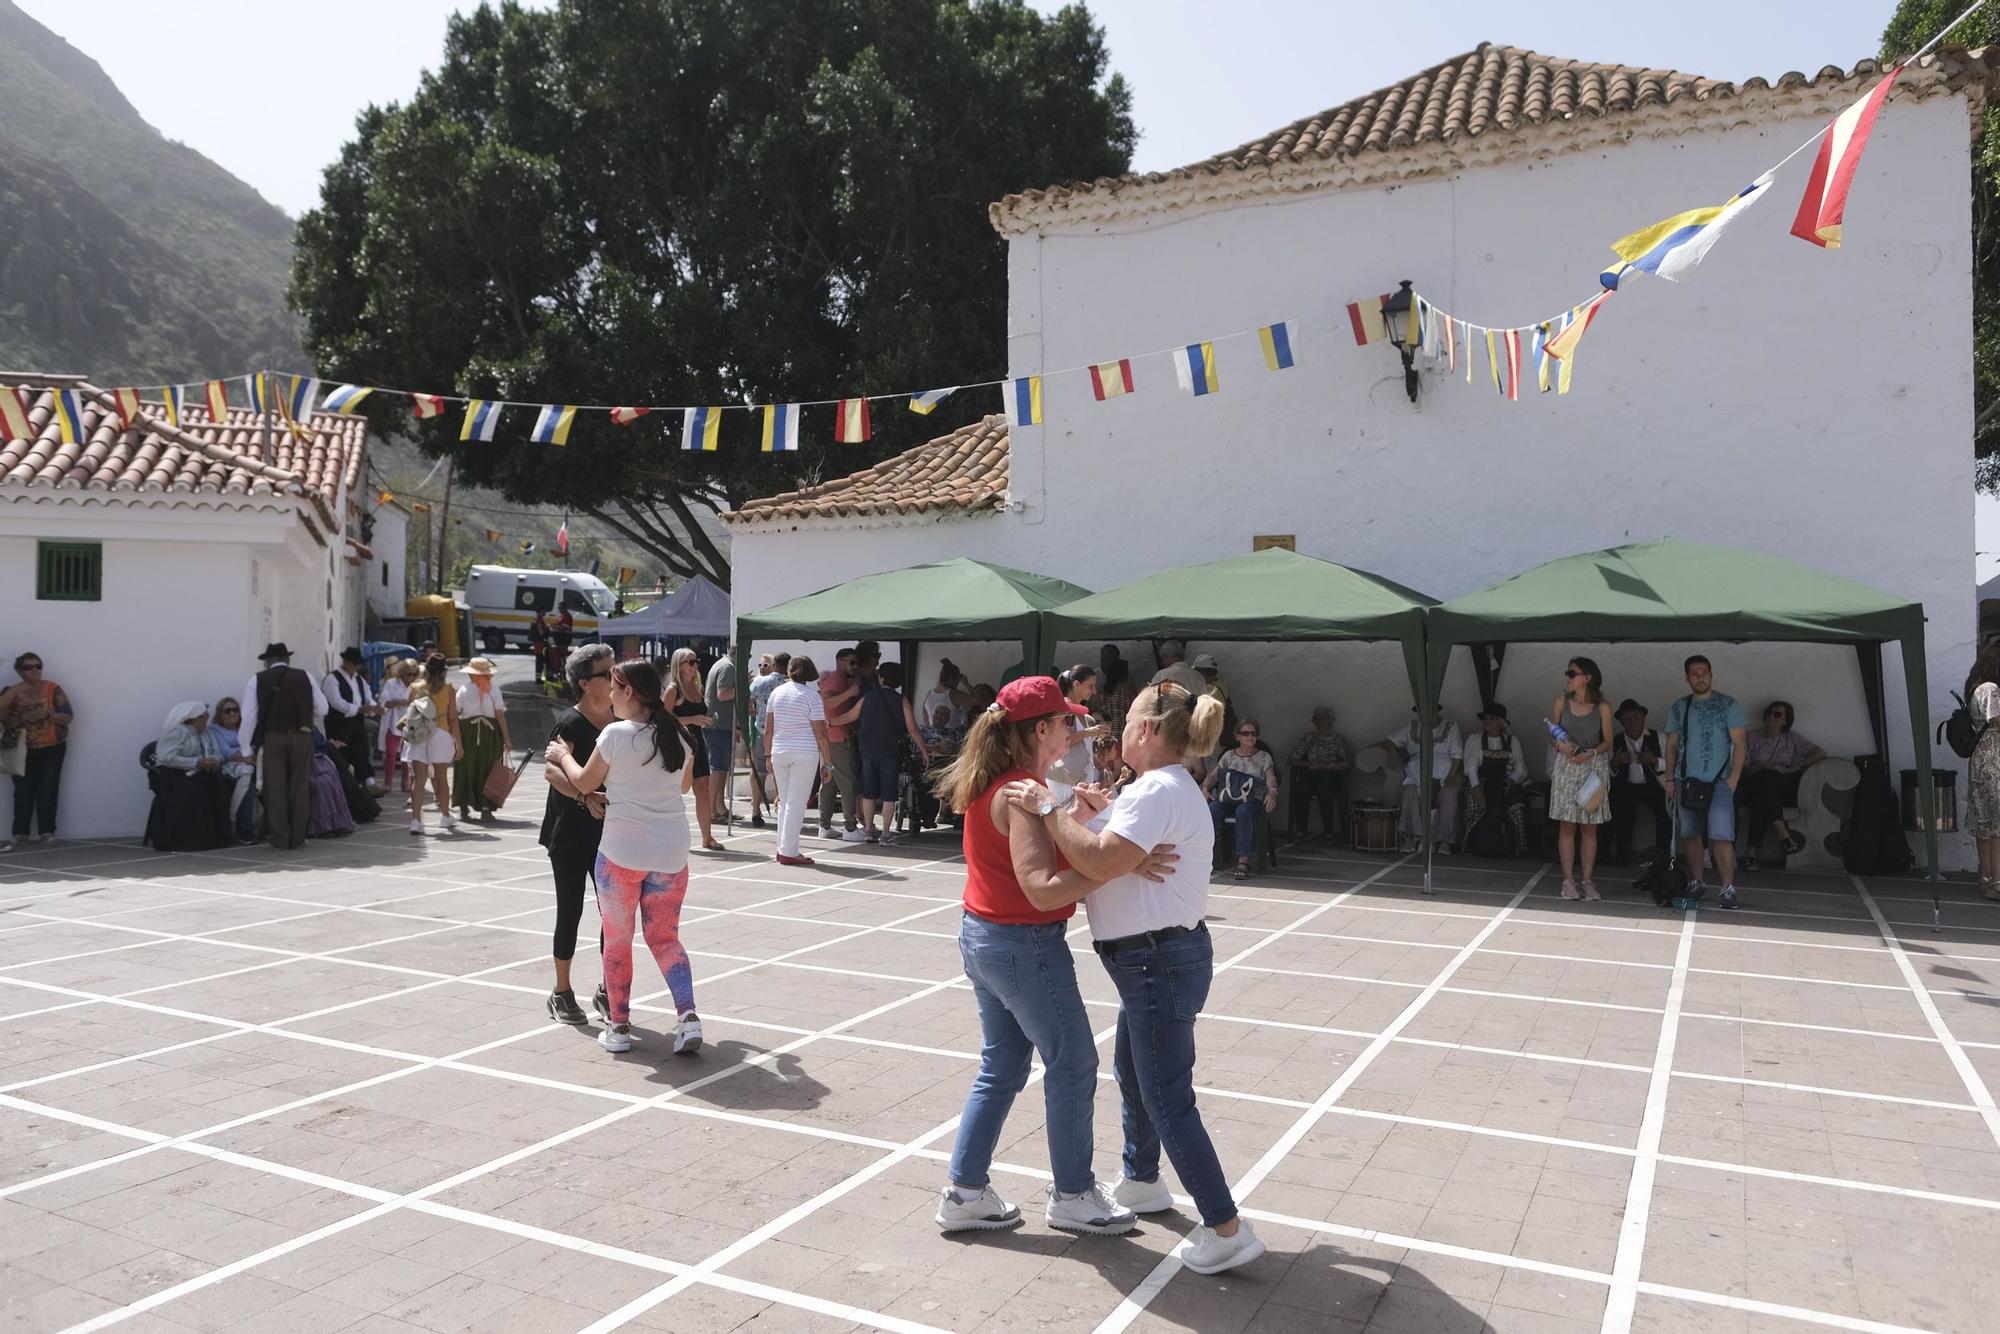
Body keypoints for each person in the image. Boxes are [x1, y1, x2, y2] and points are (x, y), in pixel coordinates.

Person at [999, 680, 1265, 1274]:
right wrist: (1090, 816)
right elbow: (1102, 845)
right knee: (1137, 1075)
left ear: (1146, 732)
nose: (1117, 734)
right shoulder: (1156, 789)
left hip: (1156, 961)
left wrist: (1050, 808)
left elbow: (1095, 859)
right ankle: (1142, 1179)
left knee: (1168, 1096)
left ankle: (1226, 1227)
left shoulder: (1157, 792)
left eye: (1126, 725)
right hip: (1152, 960)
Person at [930, 677, 1150, 1239]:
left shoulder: (1007, 784)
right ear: (1040, 730)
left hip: (984, 937)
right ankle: (1074, 1193)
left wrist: (1072, 809)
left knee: (1002, 1066)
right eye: (1066, 721)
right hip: (1023, 944)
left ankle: (965, 1191)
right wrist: (1117, 863)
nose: (1074, 730)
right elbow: (1042, 889)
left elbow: (1025, 848)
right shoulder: (1021, 791)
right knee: (1074, 1062)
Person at [546, 658, 704, 1056]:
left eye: (616, 689)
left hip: (621, 853)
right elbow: (683, 788)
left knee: (618, 940)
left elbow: (583, 781)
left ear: (630, 692)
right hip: (671, 852)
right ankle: (687, 1017)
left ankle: (618, 1025)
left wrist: (562, 754)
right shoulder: (681, 736)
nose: (611, 697)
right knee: (665, 938)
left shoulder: (615, 734)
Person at [541, 643, 614, 1024]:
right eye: (607, 673)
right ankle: (562, 992)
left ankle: (607, 989)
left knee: (612, 915)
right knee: (570, 911)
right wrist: (585, 796)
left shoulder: (620, 719)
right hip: (569, 833)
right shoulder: (569, 723)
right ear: (586, 684)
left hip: (612, 835)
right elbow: (552, 771)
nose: (615, 678)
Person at [1664, 655, 1748, 909]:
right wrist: (1669, 778)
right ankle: (1697, 882)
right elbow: (1671, 745)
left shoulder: (1728, 704)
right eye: (1694, 673)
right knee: (1690, 835)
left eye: (1704, 672)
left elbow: (1740, 744)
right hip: (1686, 780)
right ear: (1687, 677)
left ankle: (1727, 888)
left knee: (1722, 836)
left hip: (1719, 782)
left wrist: (1733, 779)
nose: (1700, 677)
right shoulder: (1680, 706)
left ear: (1711, 674)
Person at [239, 643, 327, 852]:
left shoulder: (257, 680)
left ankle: (280, 837)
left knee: (276, 788)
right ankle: (297, 837)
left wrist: (246, 749)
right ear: (287, 659)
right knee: (300, 786)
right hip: (302, 736)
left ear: (267, 661)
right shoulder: (305, 676)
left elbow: (248, 717)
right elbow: (323, 708)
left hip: (273, 737)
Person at [1548, 658, 1614, 900]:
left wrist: (1591, 753)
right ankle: (1568, 880)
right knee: (1566, 825)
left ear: (1588, 678)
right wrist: (1559, 746)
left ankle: (1587, 880)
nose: (1568, 677)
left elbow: (1608, 741)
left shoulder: (1603, 707)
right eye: (1568, 672)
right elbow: (1551, 733)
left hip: (1591, 766)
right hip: (1567, 766)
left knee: (1589, 828)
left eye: (1572, 673)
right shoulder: (1560, 702)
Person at [1739, 701, 1827, 871]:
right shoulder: (1752, 738)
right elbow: (1745, 768)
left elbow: (1820, 753)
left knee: (1767, 787)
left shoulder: (1791, 738)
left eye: (1778, 714)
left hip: (1783, 783)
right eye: (1770, 713)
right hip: (1756, 781)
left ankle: (1752, 853)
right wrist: (1763, 768)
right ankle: (1782, 833)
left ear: (1785, 721)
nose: (1772, 717)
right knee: (1764, 784)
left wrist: (1796, 767)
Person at [765, 656, 834, 866]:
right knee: (796, 802)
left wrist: (767, 755)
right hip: (804, 752)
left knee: (785, 801)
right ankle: (789, 850)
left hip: (779, 751)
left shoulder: (776, 693)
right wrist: (828, 763)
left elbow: (769, 729)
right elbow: (821, 734)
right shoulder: (812, 696)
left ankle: (783, 847)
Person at [1, 652, 73, 850]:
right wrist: (16, 691)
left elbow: (67, 716)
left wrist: (47, 714)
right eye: (28, 667)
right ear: (19, 671)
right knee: (22, 791)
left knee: (48, 789)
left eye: (37, 666)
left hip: (52, 747)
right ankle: (20, 832)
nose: (34, 670)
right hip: (22, 748)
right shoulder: (12, 691)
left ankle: (47, 831)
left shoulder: (52, 689)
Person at [855, 662, 929, 845]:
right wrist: (923, 750)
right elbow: (912, 729)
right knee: (889, 794)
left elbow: (850, 716)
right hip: (889, 750)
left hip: (867, 748)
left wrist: (830, 723)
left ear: (882, 678)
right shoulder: (901, 700)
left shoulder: (868, 697)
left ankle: (868, 829)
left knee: (869, 791)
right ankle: (886, 834)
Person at [148, 701, 233, 851]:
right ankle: (189, 840)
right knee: (193, 793)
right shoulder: (176, 732)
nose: (206, 718)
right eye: (202, 716)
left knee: (220, 788)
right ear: (192, 718)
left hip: (200, 771)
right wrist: (196, 762)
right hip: (173, 774)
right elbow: (168, 757)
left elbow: (217, 753)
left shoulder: (206, 732)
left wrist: (214, 761)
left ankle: (217, 838)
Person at [1203, 717, 1279, 880]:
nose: (1250, 737)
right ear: (1237, 736)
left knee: (1243, 812)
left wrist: (1272, 791)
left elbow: (1270, 776)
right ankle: (1204, 857)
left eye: (1253, 733)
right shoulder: (1228, 756)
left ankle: (1243, 861)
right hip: (1228, 798)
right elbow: (1213, 776)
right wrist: (1205, 788)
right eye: (1245, 733)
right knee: (1212, 810)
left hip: (1251, 800)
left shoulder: (1263, 757)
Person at [665, 647, 722, 852]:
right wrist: (692, 720)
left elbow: (698, 716)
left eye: (695, 661)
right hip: (678, 744)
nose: (694, 665)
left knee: (703, 789)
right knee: (674, 791)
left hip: (696, 742)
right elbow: (663, 720)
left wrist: (704, 721)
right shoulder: (673, 690)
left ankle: (707, 837)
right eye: (690, 662)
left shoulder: (697, 688)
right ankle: (670, 836)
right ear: (678, 666)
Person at [1385, 710, 1463, 855]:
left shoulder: (1450, 726)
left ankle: (1444, 841)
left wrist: (1452, 774)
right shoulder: (1412, 726)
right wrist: (1393, 753)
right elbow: (1390, 740)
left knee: (1449, 796)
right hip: (1416, 775)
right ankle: (1409, 839)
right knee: (1409, 793)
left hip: (1444, 776)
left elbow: (1457, 754)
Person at [400, 655, 462, 836]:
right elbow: (453, 718)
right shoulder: (449, 689)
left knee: (419, 779)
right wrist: (458, 743)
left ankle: (416, 821)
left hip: (420, 734)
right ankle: (444, 816)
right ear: (444, 671)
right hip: (441, 733)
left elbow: (409, 713)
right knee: (441, 778)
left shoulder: (416, 687)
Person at [1609, 699, 1669, 866]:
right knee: (1622, 815)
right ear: (1621, 722)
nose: (1632, 721)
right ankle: (1622, 856)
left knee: (1666, 814)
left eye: (1636, 716)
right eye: (1626, 718)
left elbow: (1675, 763)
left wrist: (1655, 761)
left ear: (1643, 718)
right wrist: (1616, 762)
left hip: (1654, 786)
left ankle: (1662, 858)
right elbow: (1606, 771)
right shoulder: (1615, 741)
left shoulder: (1659, 737)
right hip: (1626, 787)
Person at [1465, 704, 1530, 856]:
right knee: (1477, 803)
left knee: (1516, 803)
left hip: (1504, 784)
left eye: (1492, 719)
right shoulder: (1475, 740)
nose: (1487, 722)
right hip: (1482, 782)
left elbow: (1521, 769)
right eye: (1485, 719)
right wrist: (1476, 787)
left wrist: (1510, 781)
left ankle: (1515, 845)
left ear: (1501, 722)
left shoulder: (1512, 741)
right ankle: (1474, 843)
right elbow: (1470, 767)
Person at [1962, 642, 2000, 900]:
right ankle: (1997, 880)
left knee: (1984, 823)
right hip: (1995, 757)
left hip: (1980, 757)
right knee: (1996, 824)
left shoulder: (1977, 687)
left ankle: (1986, 877)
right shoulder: (1992, 689)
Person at [453, 658, 512, 821]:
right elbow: (499, 715)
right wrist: (506, 738)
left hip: (468, 732)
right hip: (490, 733)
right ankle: (486, 808)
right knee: (489, 768)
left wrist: (455, 738)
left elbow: (456, 714)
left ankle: (463, 806)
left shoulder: (464, 690)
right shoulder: (494, 690)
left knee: (466, 767)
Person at [817, 647, 866, 841]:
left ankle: (825, 825)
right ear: (840, 662)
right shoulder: (837, 679)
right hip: (837, 739)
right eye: (851, 662)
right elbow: (825, 703)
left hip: (830, 738)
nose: (854, 666)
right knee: (847, 782)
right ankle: (850, 828)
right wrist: (851, 693)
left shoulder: (837, 678)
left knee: (829, 783)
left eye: (856, 663)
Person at [1286, 706, 1352, 842]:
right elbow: (1291, 760)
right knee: (1302, 787)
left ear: (1332, 721)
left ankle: (1329, 830)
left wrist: (1329, 765)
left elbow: (1348, 763)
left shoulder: (1338, 740)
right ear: (1313, 721)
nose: (1322, 722)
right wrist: (1310, 765)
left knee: (1325, 788)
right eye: (1318, 719)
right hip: (1309, 773)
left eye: (1325, 718)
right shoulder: (1309, 738)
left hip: (1329, 775)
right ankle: (1300, 829)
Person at [322, 648, 381, 791]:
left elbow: (367, 697)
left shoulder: (358, 679)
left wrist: (374, 707)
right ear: (346, 662)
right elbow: (336, 702)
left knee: (361, 750)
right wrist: (358, 709)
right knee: (342, 754)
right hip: (338, 723)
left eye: (357, 665)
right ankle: (351, 785)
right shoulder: (332, 679)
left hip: (357, 723)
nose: (355, 667)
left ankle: (367, 783)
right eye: (354, 664)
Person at [1046, 665, 1105, 803]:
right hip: (1064, 781)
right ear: (1076, 684)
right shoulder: (1063, 711)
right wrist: (1087, 732)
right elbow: (1059, 742)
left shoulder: (1086, 716)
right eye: (1090, 686)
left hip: (1081, 778)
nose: (1094, 691)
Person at [747, 652, 788, 827]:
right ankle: (782, 810)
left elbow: (749, 706)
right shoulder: (788, 684)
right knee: (782, 773)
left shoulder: (758, 682)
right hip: (782, 733)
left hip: (761, 730)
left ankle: (756, 810)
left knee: (759, 772)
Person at [209, 697, 258, 843]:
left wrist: (248, 755)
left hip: (253, 766)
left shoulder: (246, 728)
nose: (232, 713)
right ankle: (244, 829)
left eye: (235, 710)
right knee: (248, 786)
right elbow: (225, 752)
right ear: (219, 714)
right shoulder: (215, 730)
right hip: (230, 771)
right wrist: (247, 754)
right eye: (227, 711)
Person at [703, 645, 739, 829]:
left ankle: (719, 807)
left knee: (722, 768)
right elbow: (723, 693)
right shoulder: (728, 667)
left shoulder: (724, 665)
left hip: (721, 724)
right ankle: (711, 810)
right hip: (718, 725)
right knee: (718, 768)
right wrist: (742, 687)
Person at [306, 729, 358, 837]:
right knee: (322, 783)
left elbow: (321, 743)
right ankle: (323, 825)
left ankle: (335, 823)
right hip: (309, 762)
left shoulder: (311, 726)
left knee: (330, 780)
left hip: (318, 760)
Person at [378, 660, 418, 793]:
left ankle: (405, 782)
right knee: (391, 753)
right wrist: (401, 702)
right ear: (401, 673)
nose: (411, 677)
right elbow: (385, 702)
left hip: (410, 724)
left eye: (414, 674)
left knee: (408, 755)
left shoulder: (416, 686)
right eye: (408, 674)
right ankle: (387, 783)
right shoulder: (391, 684)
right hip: (393, 722)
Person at [920, 659, 974, 730]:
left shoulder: (929, 693)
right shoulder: (954, 694)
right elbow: (979, 701)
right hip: (954, 737)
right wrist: (966, 684)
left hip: (933, 736)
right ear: (955, 679)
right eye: (958, 679)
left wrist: (930, 733)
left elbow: (925, 720)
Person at [1096, 645, 1135, 736]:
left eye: (1111, 661)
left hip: (1110, 733)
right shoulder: (1095, 676)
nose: (1107, 664)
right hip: (1118, 732)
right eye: (1105, 660)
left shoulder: (1127, 679)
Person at [528, 611, 549, 681]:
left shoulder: (535, 618)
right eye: (544, 610)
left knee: (538, 661)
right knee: (540, 661)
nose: (545, 612)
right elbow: (541, 632)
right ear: (541, 611)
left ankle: (538, 678)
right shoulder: (539, 619)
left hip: (536, 642)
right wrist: (546, 630)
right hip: (539, 642)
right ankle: (539, 678)